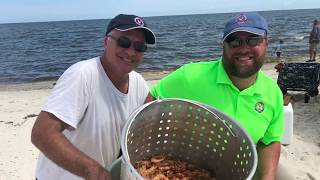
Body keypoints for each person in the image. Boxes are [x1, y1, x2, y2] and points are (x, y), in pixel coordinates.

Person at [146, 12, 290, 179]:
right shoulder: (191, 76)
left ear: (266, 43)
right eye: (234, 41)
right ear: (224, 46)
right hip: (186, 168)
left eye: (253, 40)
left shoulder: (273, 92)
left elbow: (270, 142)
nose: (243, 48)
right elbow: (154, 97)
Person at [31, 14, 156, 180]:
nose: (131, 51)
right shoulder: (83, 75)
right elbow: (42, 133)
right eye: (124, 42)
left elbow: (153, 116)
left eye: (140, 47)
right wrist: (94, 171)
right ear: (106, 42)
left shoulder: (138, 82)